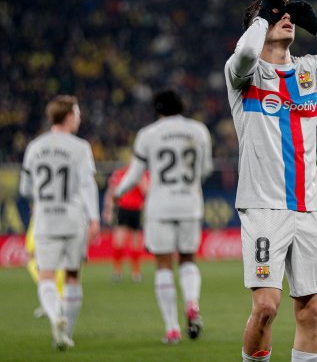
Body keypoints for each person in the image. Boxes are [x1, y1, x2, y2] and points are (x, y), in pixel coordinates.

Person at [225, 0, 317, 362]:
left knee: (312, 311)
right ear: (258, 27)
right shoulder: (245, 73)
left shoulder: (308, 69)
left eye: (289, 17)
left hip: (308, 207)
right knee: (266, 307)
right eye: (278, 17)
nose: (286, 19)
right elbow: (244, 53)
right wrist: (261, 16)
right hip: (263, 207)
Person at [115, 88, 213, 344]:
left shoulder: (148, 134)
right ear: (182, 106)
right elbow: (206, 169)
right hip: (190, 204)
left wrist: (119, 192)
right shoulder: (199, 130)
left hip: (160, 206)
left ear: (157, 110)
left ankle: (172, 329)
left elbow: (135, 174)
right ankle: (192, 302)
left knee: (163, 265)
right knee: (188, 260)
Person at [19, 95, 100, 350]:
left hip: (45, 220)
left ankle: (55, 317)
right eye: (76, 113)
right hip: (73, 219)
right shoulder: (80, 147)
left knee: (46, 276)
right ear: (67, 117)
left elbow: (25, 188)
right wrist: (95, 218)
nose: (79, 117)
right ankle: (66, 334)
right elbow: (87, 185)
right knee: (73, 276)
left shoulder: (34, 147)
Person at [102, 165, 149, 282]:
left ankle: (135, 272)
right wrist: (108, 209)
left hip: (136, 210)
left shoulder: (141, 174)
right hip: (123, 209)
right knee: (119, 240)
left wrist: (140, 180)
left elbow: (147, 191)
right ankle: (117, 271)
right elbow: (111, 192)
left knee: (136, 241)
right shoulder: (119, 173)